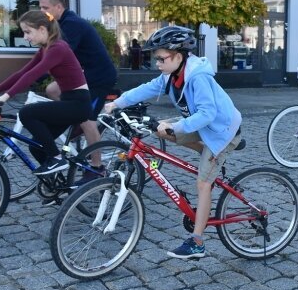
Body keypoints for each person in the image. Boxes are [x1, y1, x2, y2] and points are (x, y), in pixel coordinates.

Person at [103, 26, 242, 261]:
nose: (157, 63)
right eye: (154, 58)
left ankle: (197, 243)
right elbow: (146, 89)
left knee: (203, 184)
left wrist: (176, 126)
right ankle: (209, 156)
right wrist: (118, 103)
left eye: (160, 58)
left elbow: (208, 114)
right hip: (201, 127)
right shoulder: (171, 74)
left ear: (178, 56)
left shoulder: (198, 77)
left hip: (221, 131)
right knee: (160, 130)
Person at [0, 11, 90, 176]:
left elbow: (33, 75)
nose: (25, 37)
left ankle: (57, 158)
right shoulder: (45, 49)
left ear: (41, 29)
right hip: (68, 102)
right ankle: (57, 187)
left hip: (78, 104)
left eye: (27, 32)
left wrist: (5, 97)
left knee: (27, 113)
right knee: (36, 146)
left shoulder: (58, 48)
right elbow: (21, 73)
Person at [38, 0, 118, 176]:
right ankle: (73, 118)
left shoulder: (71, 24)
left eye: (45, 8)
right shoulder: (58, 23)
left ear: (58, 7)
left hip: (99, 78)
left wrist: (40, 72)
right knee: (52, 89)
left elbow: (59, 55)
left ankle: (96, 168)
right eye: (40, 7)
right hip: (84, 77)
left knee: (86, 121)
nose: (42, 12)